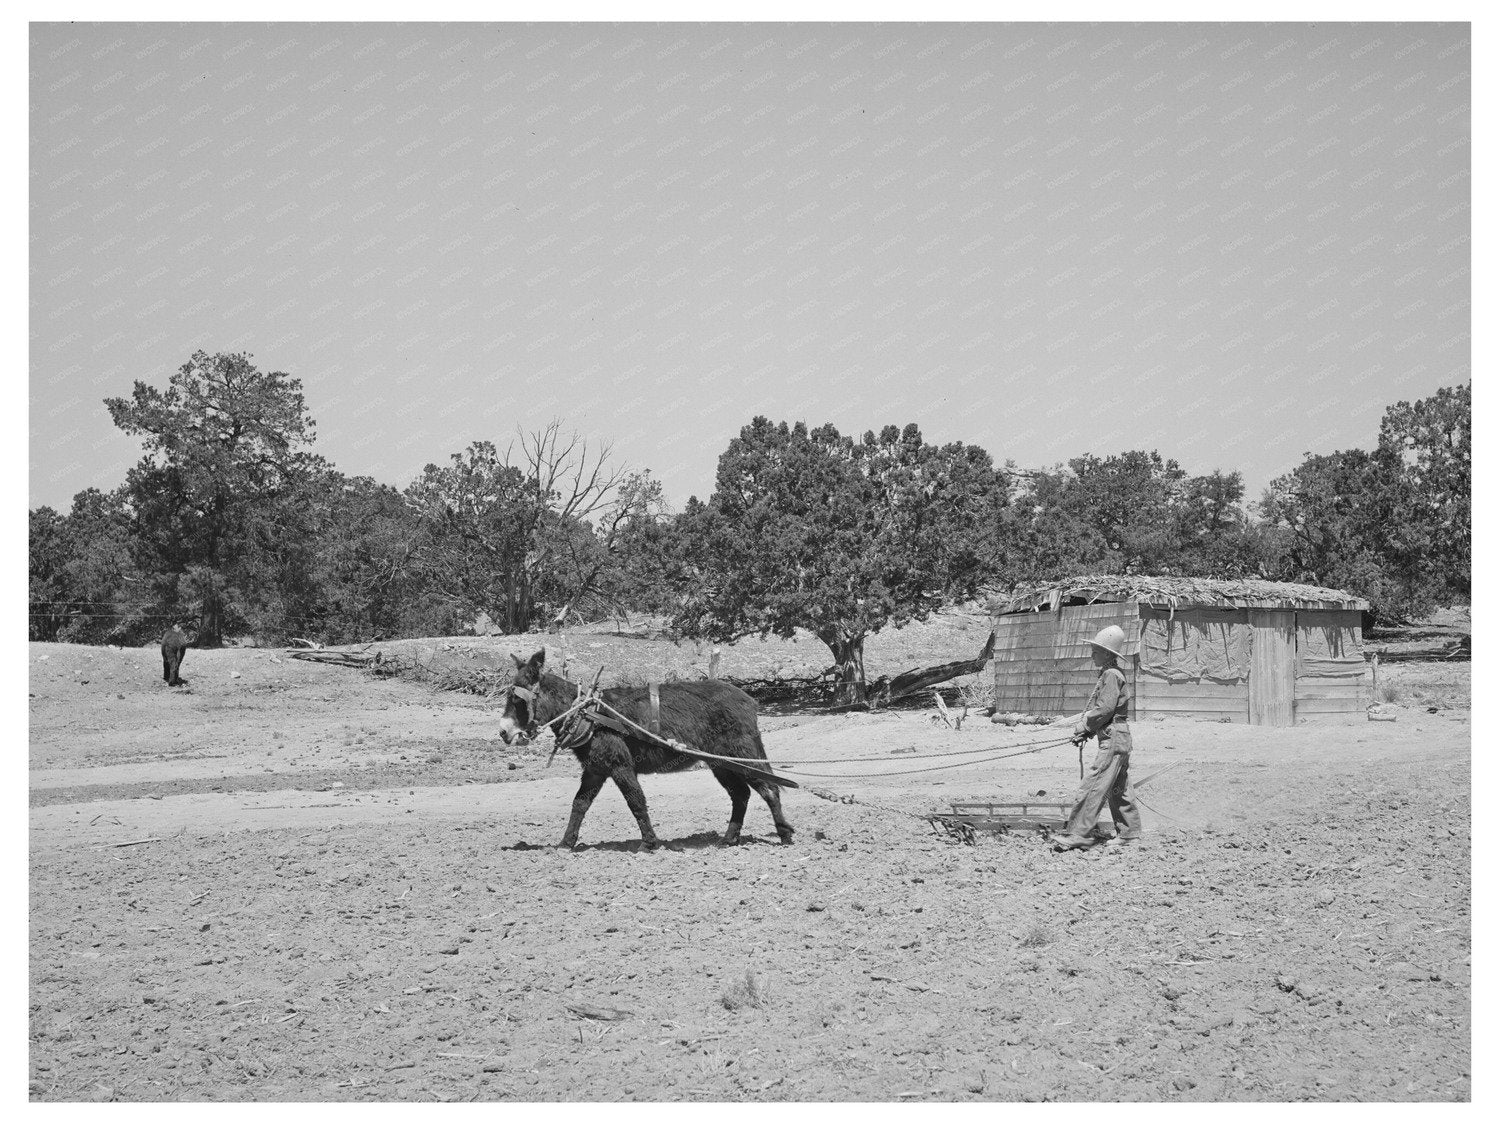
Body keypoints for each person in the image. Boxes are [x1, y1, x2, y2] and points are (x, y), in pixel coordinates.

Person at [1052, 625, 1141, 852]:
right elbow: (1108, 712)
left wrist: (1084, 725)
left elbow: (1104, 709)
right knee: (1117, 788)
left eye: (1095, 651)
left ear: (1108, 654)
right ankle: (1129, 834)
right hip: (1118, 737)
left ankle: (1078, 834)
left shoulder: (1111, 675)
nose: (1092, 655)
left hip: (1113, 738)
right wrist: (1089, 731)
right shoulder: (1113, 674)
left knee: (1092, 785)